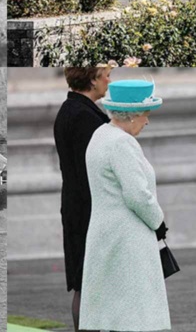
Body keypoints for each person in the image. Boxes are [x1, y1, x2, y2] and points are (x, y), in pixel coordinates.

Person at [79, 79, 169, 332]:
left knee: (113, 315)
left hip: (107, 234)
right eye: (145, 114)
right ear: (131, 116)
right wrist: (158, 221)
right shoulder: (122, 143)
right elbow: (137, 195)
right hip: (127, 239)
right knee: (134, 316)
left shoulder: (101, 134)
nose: (147, 121)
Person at [52, 67, 112, 332]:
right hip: (89, 207)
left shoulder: (70, 110)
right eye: (106, 75)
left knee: (85, 280)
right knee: (89, 281)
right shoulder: (84, 117)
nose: (109, 81)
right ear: (92, 79)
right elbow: (97, 167)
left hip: (77, 204)